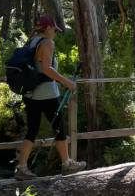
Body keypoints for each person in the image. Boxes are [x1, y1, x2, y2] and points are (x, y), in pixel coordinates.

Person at [14, 15, 86, 180]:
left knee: (32, 130)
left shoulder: (31, 41)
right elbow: (47, 69)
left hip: (30, 93)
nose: (55, 33)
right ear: (47, 28)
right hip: (46, 94)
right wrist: (67, 82)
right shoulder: (47, 43)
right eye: (54, 29)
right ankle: (67, 164)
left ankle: (21, 168)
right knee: (59, 128)